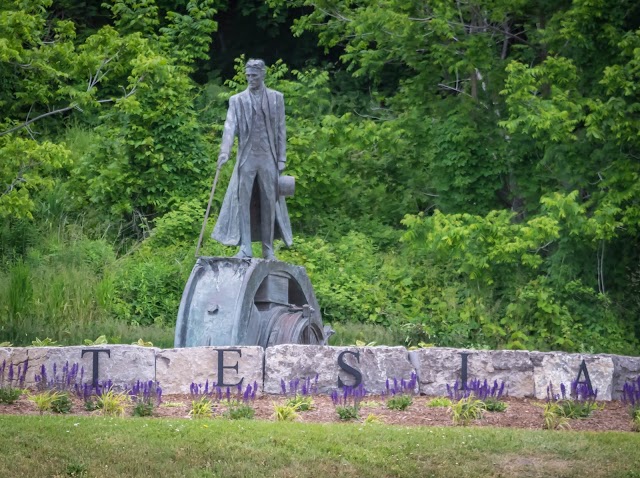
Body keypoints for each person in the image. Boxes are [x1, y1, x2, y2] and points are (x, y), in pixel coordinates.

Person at [212, 59, 293, 259]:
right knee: (243, 202)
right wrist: (224, 151)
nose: (250, 79)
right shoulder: (237, 100)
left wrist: (281, 159)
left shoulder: (276, 98)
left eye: (254, 76)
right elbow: (230, 127)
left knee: (269, 202)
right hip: (246, 158)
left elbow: (281, 130)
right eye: (248, 75)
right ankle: (245, 247)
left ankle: (268, 249)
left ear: (263, 74)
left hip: (268, 158)